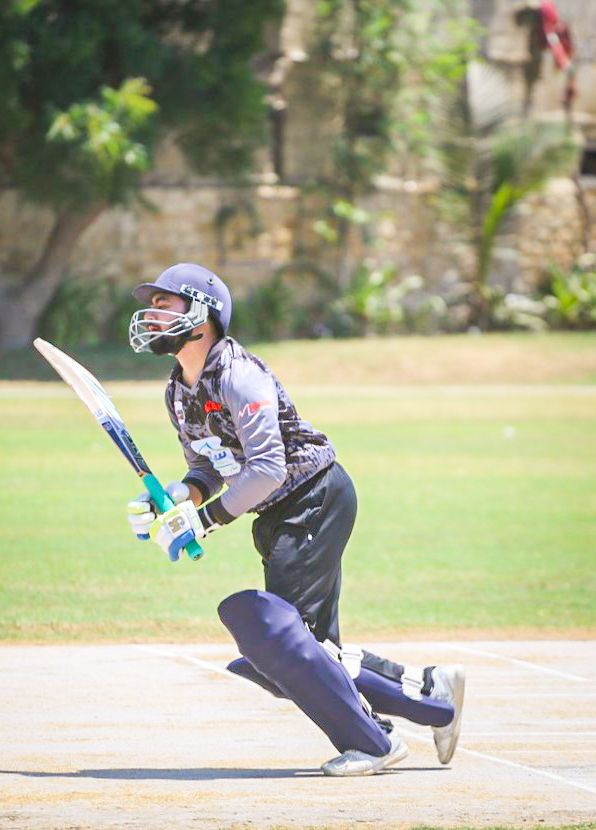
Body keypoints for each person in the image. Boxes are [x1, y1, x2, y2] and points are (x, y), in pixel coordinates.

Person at [126, 262, 465, 777]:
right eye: (151, 305)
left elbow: (268, 467)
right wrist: (171, 500)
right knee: (298, 653)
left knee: (284, 645)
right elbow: (209, 468)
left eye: (164, 303)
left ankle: (374, 741)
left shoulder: (239, 375)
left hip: (314, 497)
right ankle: (429, 693)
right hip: (278, 514)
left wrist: (205, 521)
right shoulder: (178, 391)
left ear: (202, 313)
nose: (152, 314)